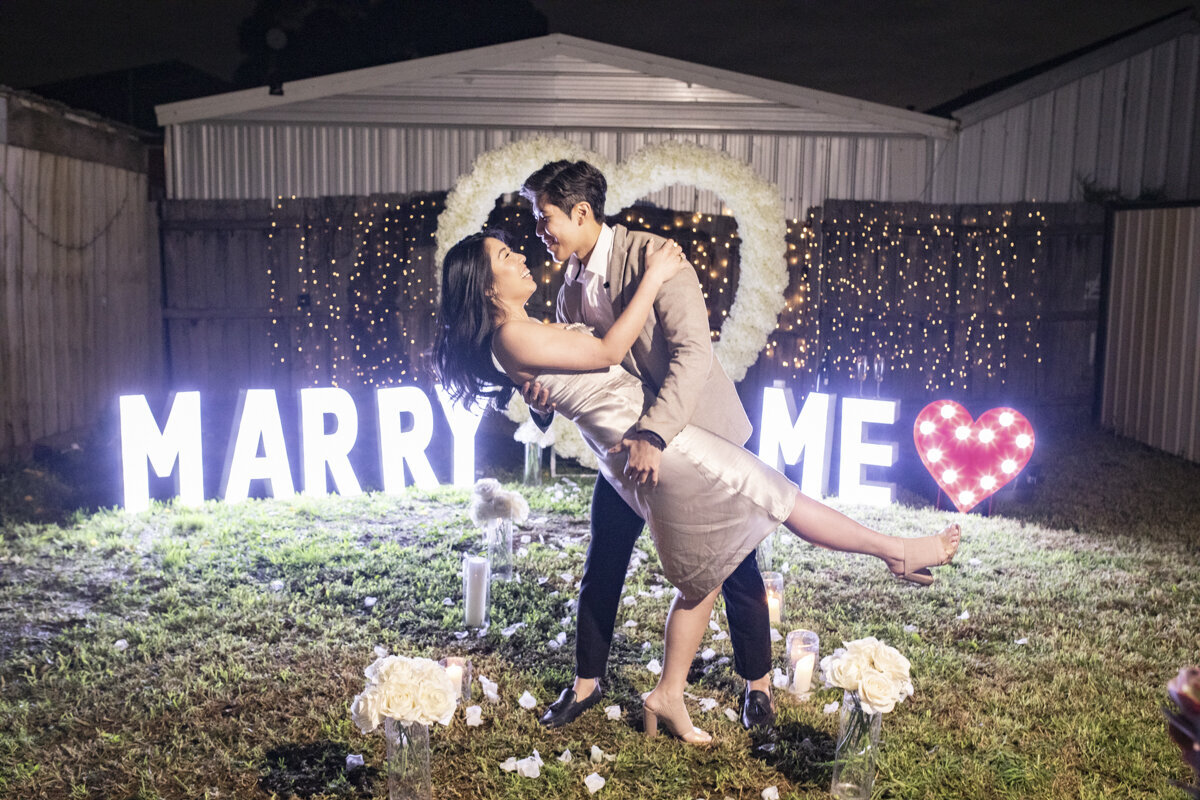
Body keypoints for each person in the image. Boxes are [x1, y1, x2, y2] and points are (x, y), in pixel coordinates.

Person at [434, 229, 961, 745]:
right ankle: (894, 551)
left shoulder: (521, 332)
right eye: (506, 255)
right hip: (661, 446)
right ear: (485, 285)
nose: (524, 253)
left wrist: (545, 394)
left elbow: (576, 374)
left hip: (653, 441)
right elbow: (610, 349)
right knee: (776, 497)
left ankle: (668, 693)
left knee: (703, 572)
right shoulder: (514, 334)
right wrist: (658, 274)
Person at [521, 160, 778, 734]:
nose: (540, 231)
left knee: (736, 566)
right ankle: (587, 681)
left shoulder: (657, 258)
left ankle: (757, 686)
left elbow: (693, 357)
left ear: (581, 213)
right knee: (604, 556)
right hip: (624, 453)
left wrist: (655, 433)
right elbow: (580, 370)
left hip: (697, 434)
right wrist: (545, 398)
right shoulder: (567, 286)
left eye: (546, 219)